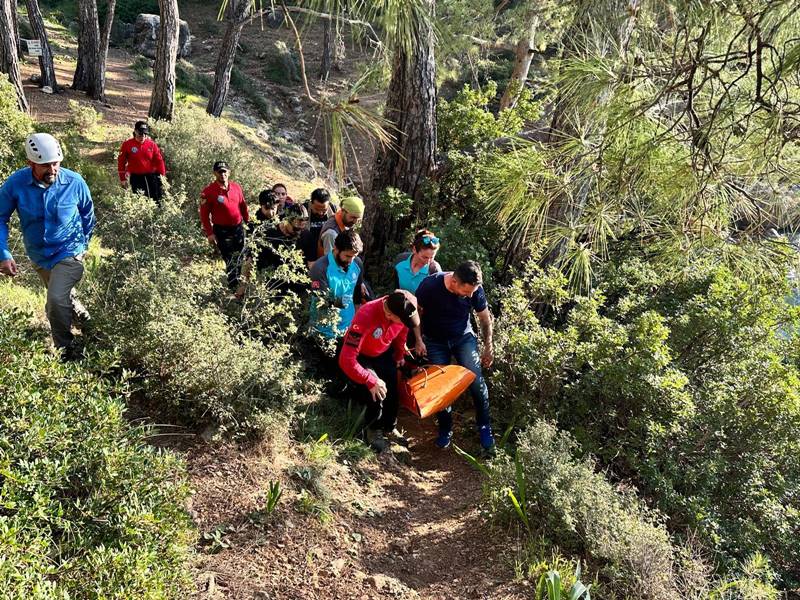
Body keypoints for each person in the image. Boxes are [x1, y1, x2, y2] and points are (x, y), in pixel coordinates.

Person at [0, 133, 95, 361]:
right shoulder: (16, 184)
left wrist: (83, 245)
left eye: (55, 163)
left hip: (69, 252)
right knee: (63, 298)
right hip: (39, 255)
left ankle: (67, 352)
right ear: (30, 163)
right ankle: (91, 327)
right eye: (45, 165)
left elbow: (87, 215)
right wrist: (3, 254)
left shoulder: (74, 182)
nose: (52, 169)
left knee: (55, 299)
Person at [415, 260, 495, 452]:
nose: (469, 296)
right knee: (441, 388)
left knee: (476, 380)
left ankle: (484, 427)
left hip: (463, 337)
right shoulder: (430, 285)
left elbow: (484, 318)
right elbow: (416, 313)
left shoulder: (475, 290)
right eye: (467, 292)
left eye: (473, 293)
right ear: (454, 282)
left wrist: (488, 345)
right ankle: (445, 429)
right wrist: (418, 340)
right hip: (434, 340)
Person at [338, 290, 421, 452]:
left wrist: (398, 355)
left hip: (382, 351)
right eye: (401, 320)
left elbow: (402, 331)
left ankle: (389, 426)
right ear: (389, 314)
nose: (404, 323)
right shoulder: (366, 316)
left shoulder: (408, 304)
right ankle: (373, 430)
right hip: (361, 355)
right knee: (377, 391)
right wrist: (369, 380)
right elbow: (346, 359)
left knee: (392, 387)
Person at [199, 161, 249, 292]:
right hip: (222, 231)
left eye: (225, 171)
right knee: (230, 258)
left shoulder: (236, 187)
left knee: (240, 256)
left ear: (229, 172)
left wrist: (249, 223)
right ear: (215, 173)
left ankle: (239, 283)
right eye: (219, 172)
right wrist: (210, 233)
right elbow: (204, 215)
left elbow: (243, 206)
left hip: (238, 228)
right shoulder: (208, 192)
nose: (223, 174)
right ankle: (233, 287)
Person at [309, 229, 365, 339]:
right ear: (336, 248)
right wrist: (342, 302)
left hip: (349, 328)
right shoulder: (320, 268)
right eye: (348, 256)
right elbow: (322, 301)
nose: (351, 260)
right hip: (324, 331)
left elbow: (357, 292)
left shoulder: (357, 263)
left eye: (354, 256)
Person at [117, 121, 166, 203]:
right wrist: (122, 178)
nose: (143, 135)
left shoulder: (152, 145)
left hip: (152, 177)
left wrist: (163, 177)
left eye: (145, 133)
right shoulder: (127, 144)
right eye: (140, 133)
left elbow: (159, 161)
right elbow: (121, 162)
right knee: (139, 202)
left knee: (156, 201)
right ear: (135, 131)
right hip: (136, 178)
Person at [393, 229, 443, 294]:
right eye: (425, 257)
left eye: (432, 257)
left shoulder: (434, 270)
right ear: (414, 250)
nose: (428, 261)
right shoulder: (400, 260)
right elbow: (396, 287)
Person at [300, 187, 336, 267]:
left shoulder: (333, 210)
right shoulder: (303, 210)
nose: (320, 213)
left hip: (326, 247)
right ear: (311, 203)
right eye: (317, 209)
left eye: (324, 210)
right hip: (307, 250)